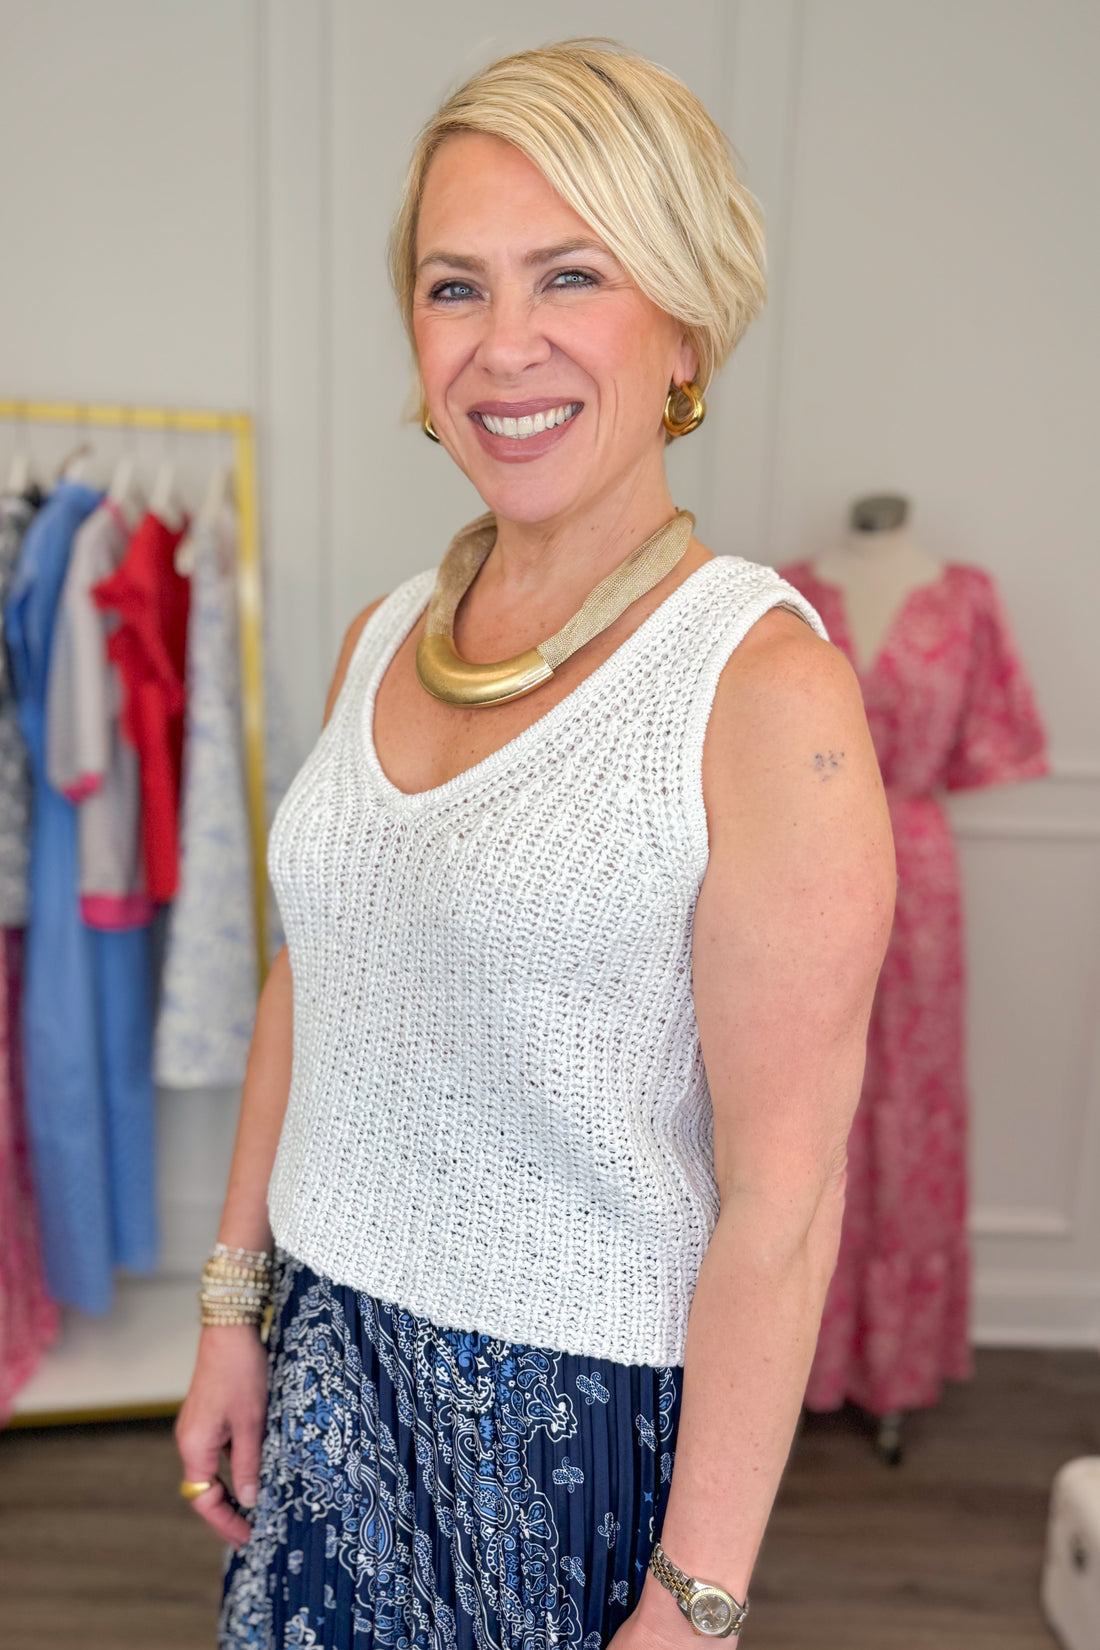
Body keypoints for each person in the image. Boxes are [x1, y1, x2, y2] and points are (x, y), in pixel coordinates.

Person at [176, 38, 895, 1650]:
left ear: (685, 323)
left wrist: (695, 1605)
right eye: (454, 287)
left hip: (566, 1431)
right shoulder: (383, 637)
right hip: (330, 1363)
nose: (505, 348)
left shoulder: (762, 692)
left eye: (571, 276)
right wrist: (238, 1307)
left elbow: (783, 1201)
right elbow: (319, 970)